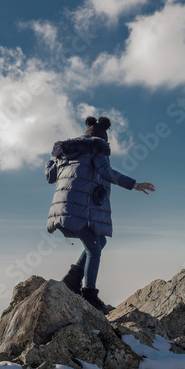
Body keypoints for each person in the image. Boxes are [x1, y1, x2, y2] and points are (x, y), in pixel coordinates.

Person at [45, 116, 155, 313]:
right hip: (81, 208)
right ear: (103, 139)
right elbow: (107, 172)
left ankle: (72, 279)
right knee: (94, 250)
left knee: (100, 242)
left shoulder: (66, 153)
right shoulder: (96, 149)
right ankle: (89, 295)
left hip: (63, 209)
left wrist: (51, 160)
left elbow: (50, 177)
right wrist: (134, 185)